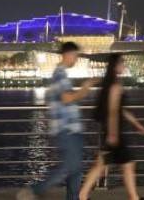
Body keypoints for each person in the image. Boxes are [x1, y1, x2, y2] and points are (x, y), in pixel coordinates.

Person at [17, 42, 97, 200]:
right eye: (75, 55)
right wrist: (86, 87)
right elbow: (67, 98)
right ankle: (34, 190)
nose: (76, 59)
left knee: (76, 169)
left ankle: (73, 198)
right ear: (67, 54)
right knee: (68, 167)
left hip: (71, 129)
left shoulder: (62, 74)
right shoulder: (59, 74)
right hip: (66, 129)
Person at [79, 53, 144, 200]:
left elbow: (120, 110)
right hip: (115, 133)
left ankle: (83, 195)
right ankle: (133, 197)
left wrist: (136, 124)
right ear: (115, 66)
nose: (124, 66)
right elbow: (113, 112)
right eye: (122, 63)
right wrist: (113, 134)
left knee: (104, 164)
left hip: (112, 131)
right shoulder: (115, 86)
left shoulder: (111, 83)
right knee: (125, 163)